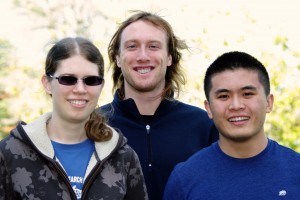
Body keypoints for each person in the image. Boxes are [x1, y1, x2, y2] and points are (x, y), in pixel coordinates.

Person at [0, 37, 148, 200]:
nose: (80, 89)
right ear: (47, 83)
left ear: (101, 86)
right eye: (68, 79)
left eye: (91, 80)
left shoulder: (123, 156)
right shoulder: (9, 153)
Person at [98, 11, 219, 200]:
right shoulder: (93, 125)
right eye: (132, 46)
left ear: (170, 57)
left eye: (153, 46)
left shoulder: (204, 125)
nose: (143, 56)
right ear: (118, 58)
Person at [163, 51, 300, 199]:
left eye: (247, 94)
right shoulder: (185, 179)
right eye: (224, 96)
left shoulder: (295, 170)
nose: (236, 105)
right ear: (208, 108)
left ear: (269, 102)